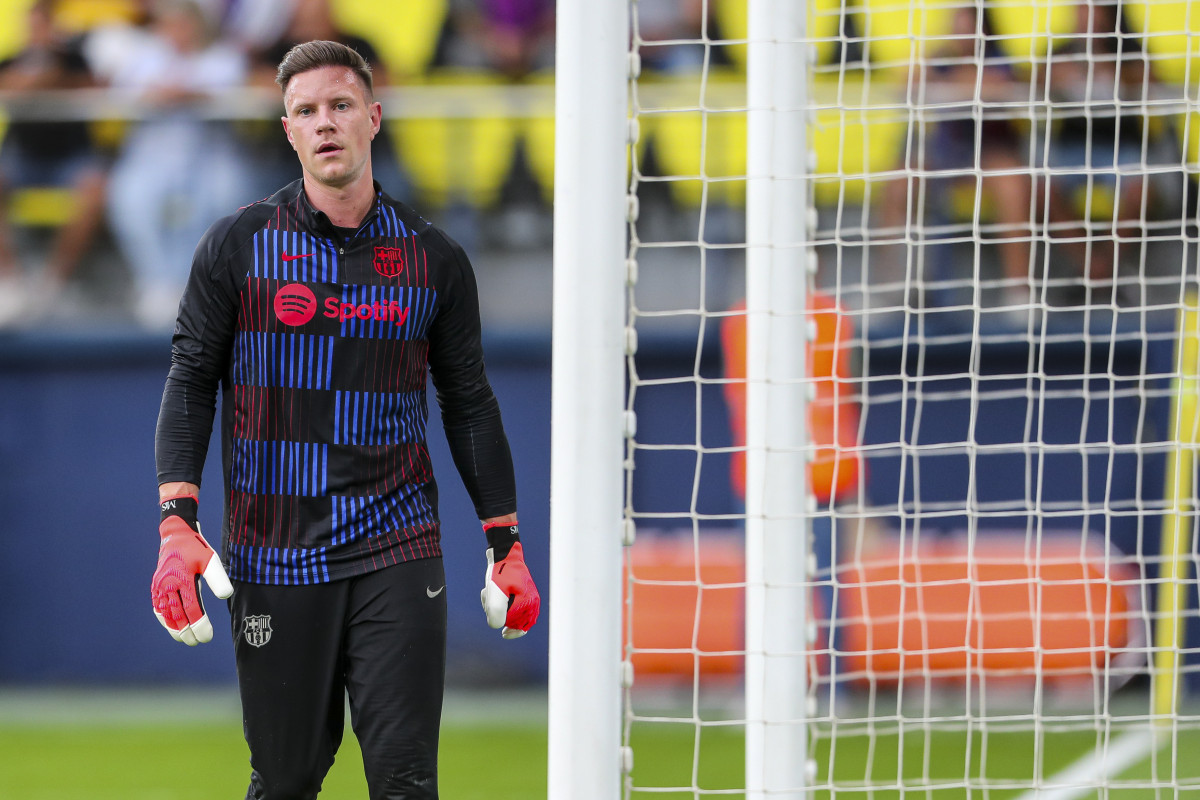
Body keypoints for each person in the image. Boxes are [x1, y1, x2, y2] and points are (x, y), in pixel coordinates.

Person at [149, 39, 541, 799]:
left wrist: (507, 543)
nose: (324, 123)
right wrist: (175, 522)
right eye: (305, 111)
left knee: (405, 782)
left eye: (339, 105)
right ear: (288, 131)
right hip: (274, 553)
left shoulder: (435, 260)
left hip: (397, 545)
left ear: (374, 117)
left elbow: (469, 403)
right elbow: (191, 379)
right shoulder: (238, 246)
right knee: (288, 779)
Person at [100, 0, 254, 328]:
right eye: (171, 25)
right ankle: (157, 282)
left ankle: (196, 284)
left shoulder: (222, 56)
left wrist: (188, 94)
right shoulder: (142, 57)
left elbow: (232, 89)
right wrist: (155, 95)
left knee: (223, 197)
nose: (178, 32)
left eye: (185, 24)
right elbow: (120, 94)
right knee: (131, 197)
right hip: (150, 156)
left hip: (210, 153)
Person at [0, 0, 109, 325]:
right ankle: (11, 281)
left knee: (95, 190)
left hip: (72, 155)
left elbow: (95, 87)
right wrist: (33, 82)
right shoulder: (10, 60)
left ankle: (52, 283)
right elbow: (9, 86)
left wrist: (50, 79)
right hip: (22, 155)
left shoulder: (76, 59)